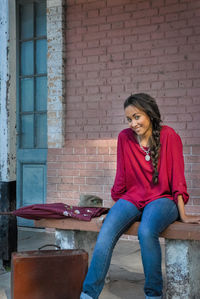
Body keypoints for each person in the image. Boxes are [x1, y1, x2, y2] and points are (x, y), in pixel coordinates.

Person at [80, 93, 200, 299]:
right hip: (133, 197)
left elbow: (178, 179)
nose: (133, 123)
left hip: (163, 199)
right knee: (107, 230)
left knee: (146, 231)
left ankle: (153, 294)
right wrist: (113, 210)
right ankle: (88, 294)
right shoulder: (124, 138)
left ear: (149, 113)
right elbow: (121, 177)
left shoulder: (169, 135)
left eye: (137, 117)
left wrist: (184, 215)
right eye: (129, 119)